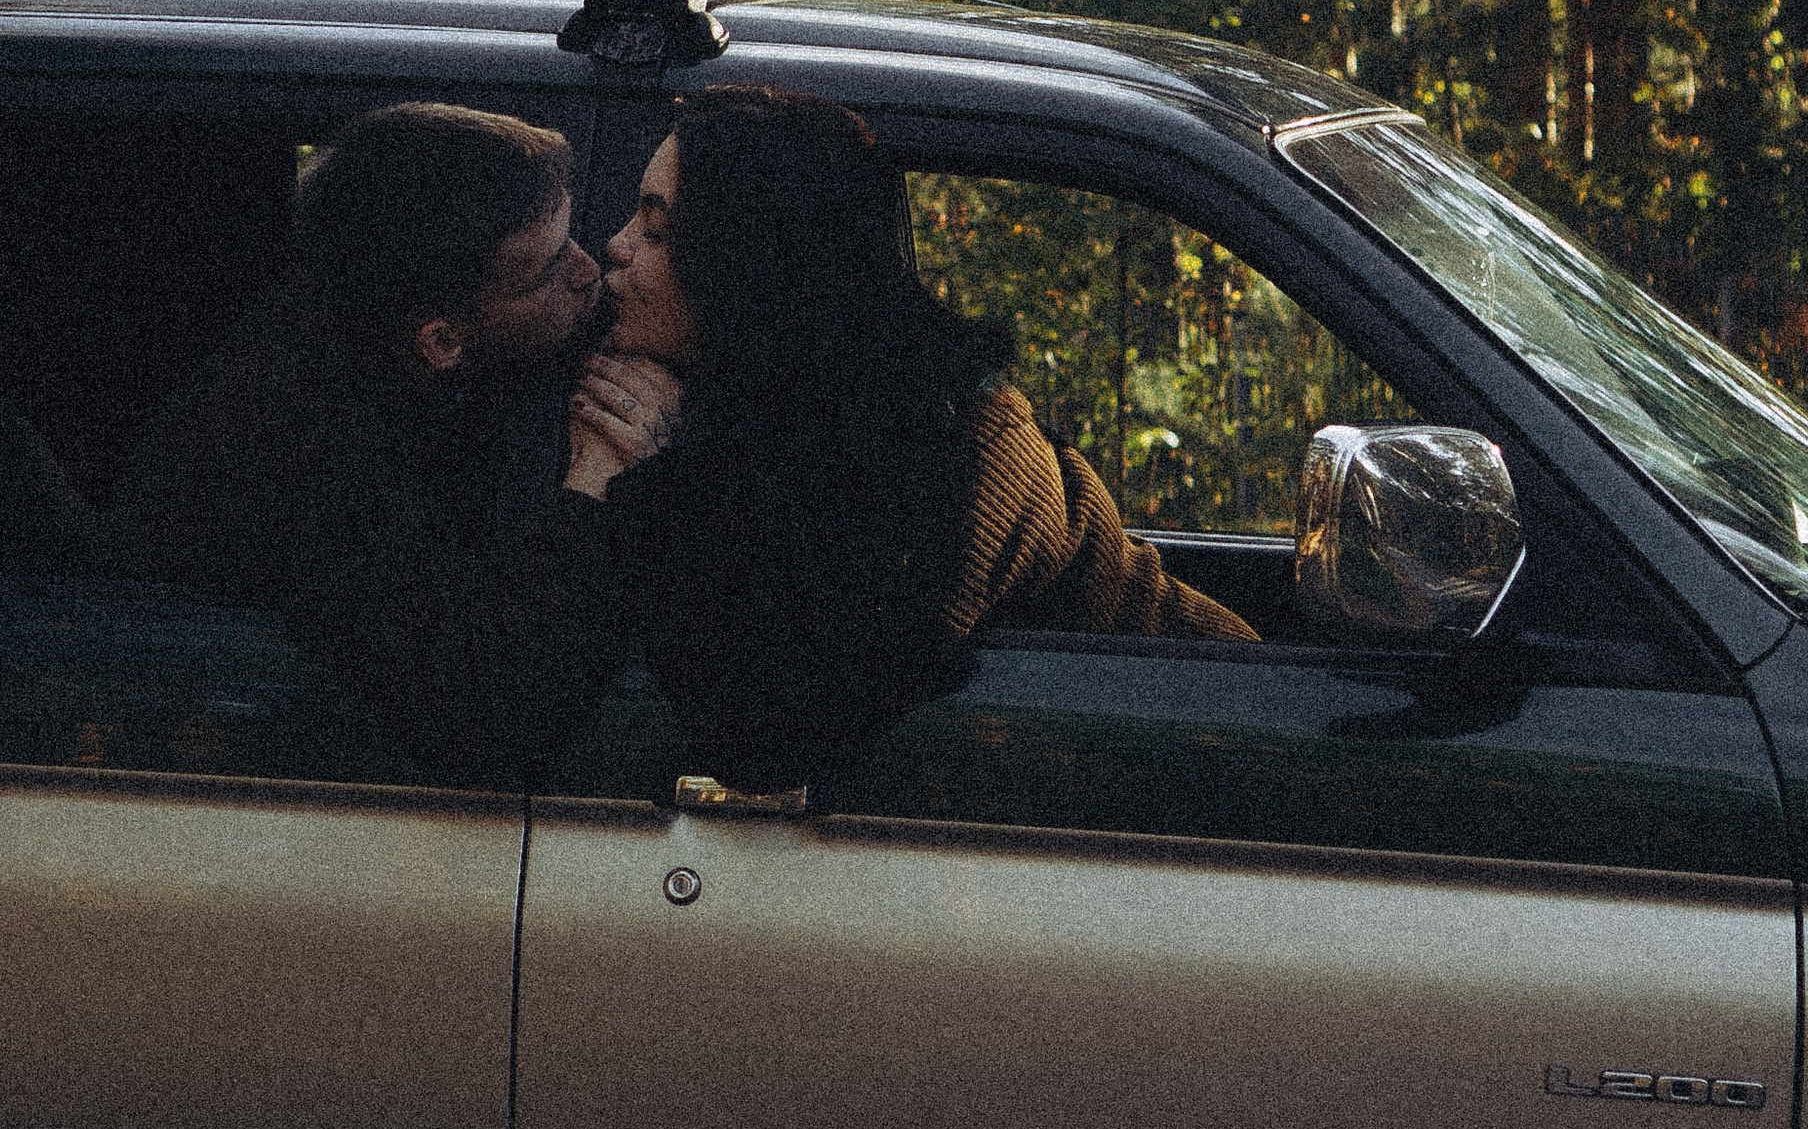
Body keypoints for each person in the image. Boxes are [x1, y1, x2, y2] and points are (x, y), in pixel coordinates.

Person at [573, 85, 1252, 789]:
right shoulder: (733, 392)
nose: (612, 246)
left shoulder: (968, 445)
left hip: (1229, 746)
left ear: (748, 264)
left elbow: (771, 739)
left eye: (656, 230)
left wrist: (653, 482)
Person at [99, 100, 666, 785]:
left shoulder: (411, 331)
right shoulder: (307, 457)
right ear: (443, 340)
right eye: (547, 271)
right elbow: (488, 720)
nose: (591, 268)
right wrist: (594, 482)